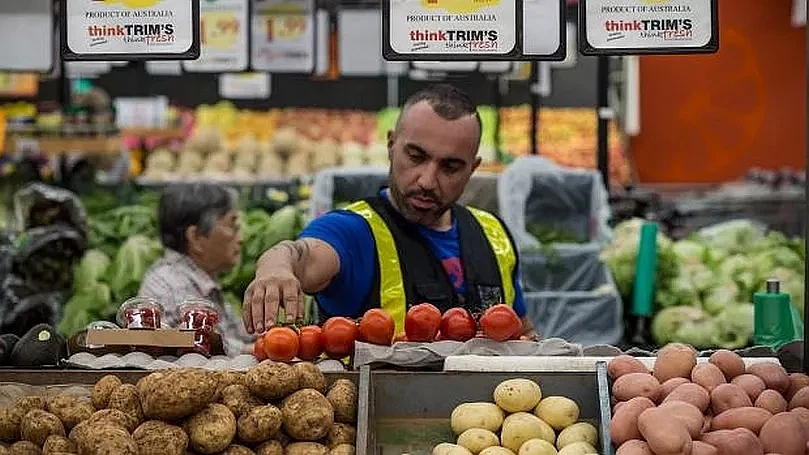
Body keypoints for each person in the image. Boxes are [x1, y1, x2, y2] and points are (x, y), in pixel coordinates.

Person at [242, 84, 536, 338]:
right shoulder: (353, 230)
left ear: (473, 168)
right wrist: (276, 268)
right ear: (391, 145)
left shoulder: (494, 234)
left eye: (450, 167)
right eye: (416, 156)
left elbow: (522, 330)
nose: (427, 180)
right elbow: (300, 254)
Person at [138, 182, 254, 356]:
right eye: (232, 226)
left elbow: (237, 333)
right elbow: (196, 342)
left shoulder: (200, 280)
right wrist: (254, 350)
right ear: (196, 237)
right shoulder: (172, 285)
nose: (240, 239)